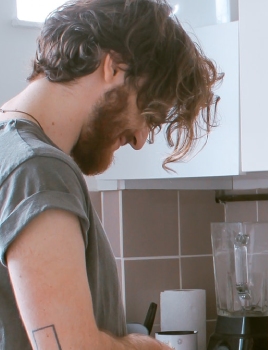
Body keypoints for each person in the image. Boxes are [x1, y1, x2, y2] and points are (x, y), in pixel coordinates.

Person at [0, 0, 221, 349]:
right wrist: (144, 346)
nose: (139, 139)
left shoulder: (10, 150)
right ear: (114, 67)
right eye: (149, 111)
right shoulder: (38, 169)